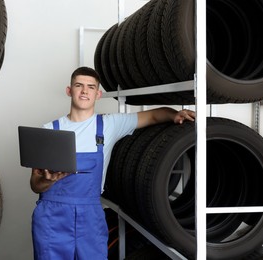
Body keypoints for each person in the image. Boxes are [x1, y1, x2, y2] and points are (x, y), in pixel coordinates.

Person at [30, 66, 195, 260]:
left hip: (90, 217)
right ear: (69, 91)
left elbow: (152, 115)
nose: (84, 91)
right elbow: (35, 184)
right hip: (52, 217)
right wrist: (48, 181)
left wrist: (175, 114)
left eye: (91, 87)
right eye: (79, 85)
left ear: (98, 94)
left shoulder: (109, 125)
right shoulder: (49, 130)